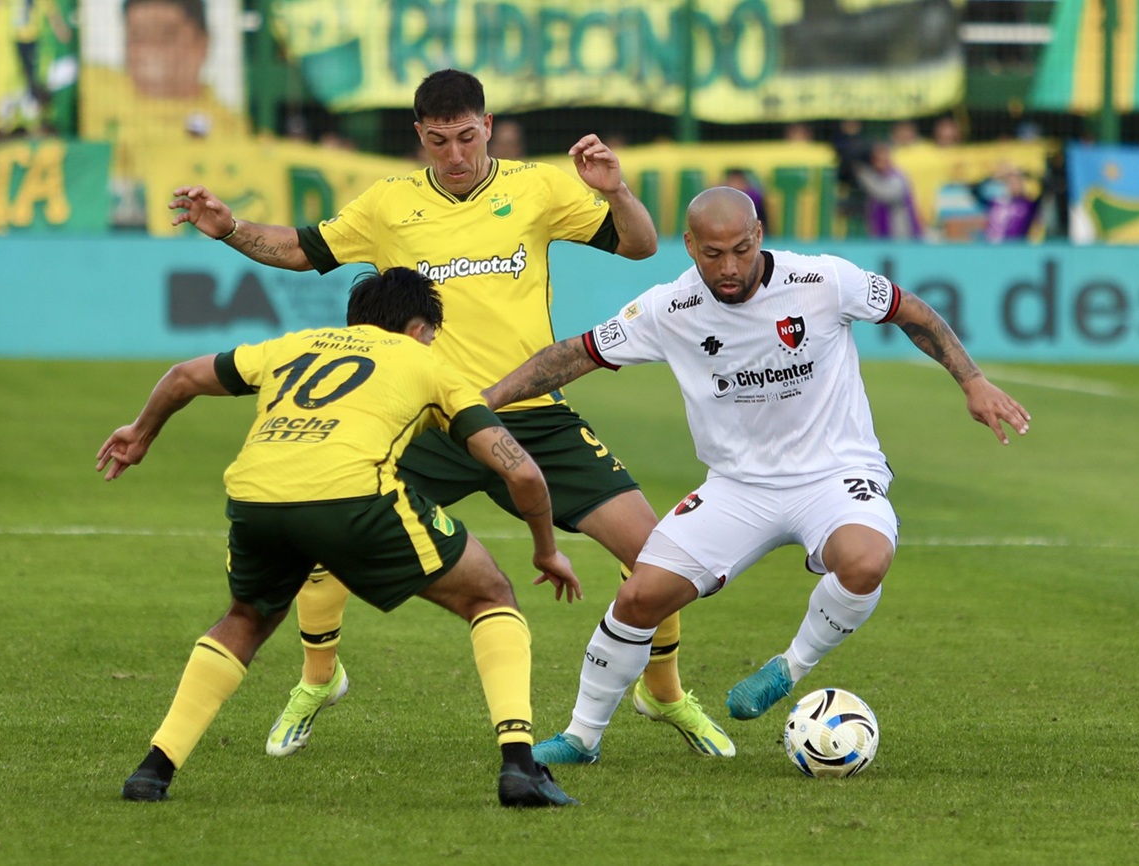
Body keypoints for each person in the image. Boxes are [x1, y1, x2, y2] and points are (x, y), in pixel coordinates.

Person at [167, 69, 734, 762]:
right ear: (420, 138)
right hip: (427, 422)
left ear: (488, 126)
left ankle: (664, 692)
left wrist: (614, 189)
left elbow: (641, 244)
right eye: (439, 141)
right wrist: (229, 229)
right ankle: (319, 680)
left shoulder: (539, 186)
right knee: (319, 543)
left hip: (529, 413)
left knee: (658, 557)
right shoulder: (388, 204)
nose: (456, 155)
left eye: (467, 137)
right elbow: (300, 250)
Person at [480, 186, 1031, 764]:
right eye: (712, 254)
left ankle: (789, 667)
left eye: (741, 249)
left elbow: (909, 309)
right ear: (689, 245)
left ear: (759, 235)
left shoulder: (822, 281)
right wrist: (486, 399)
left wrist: (971, 380)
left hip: (836, 474)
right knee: (641, 597)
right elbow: (576, 353)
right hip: (737, 488)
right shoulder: (670, 309)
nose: (730, 267)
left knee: (866, 559)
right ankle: (581, 737)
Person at [102, 267, 581, 808]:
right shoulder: (428, 364)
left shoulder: (296, 345)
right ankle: (520, 767)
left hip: (256, 497)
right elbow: (521, 473)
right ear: (421, 328)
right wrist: (547, 549)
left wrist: (140, 434)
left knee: (246, 618)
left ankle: (152, 770)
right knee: (490, 594)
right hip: (351, 498)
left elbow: (183, 376)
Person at [81, 0, 249, 225]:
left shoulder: (226, 126)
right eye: (137, 36)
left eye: (165, 36)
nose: (149, 48)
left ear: (202, 43)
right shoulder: (95, 89)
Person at [854, 141, 921, 240]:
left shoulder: (897, 176)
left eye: (884, 159)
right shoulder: (877, 176)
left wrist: (864, 175)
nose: (881, 163)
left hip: (900, 233)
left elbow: (886, 194)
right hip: (879, 232)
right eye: (878, 160)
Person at [970, 163, 1040, 242]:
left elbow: (1045, 188)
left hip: (1015, 247)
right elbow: (974, 191)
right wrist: (992, 176)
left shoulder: (1029, 205)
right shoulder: (995, 203)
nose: (1014, 186)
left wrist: (1027, 173)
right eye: (1011, 182)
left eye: (1018, 182)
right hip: (992, 246)